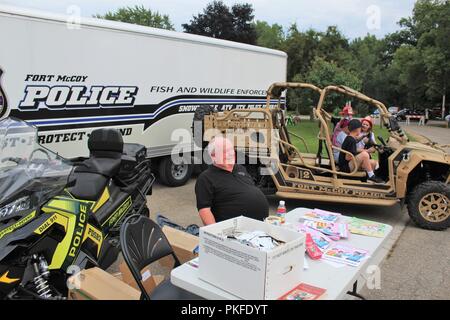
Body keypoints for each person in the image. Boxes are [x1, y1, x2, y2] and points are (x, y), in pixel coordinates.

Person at [195, 136, 269, 225]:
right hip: (234, 231)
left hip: (260, 226)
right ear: (213, 156)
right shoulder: (206, 178)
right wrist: (215, 233)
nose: (231, 154)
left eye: (231, 150)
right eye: (225, 151)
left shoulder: (240, 168)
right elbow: (204, 210)